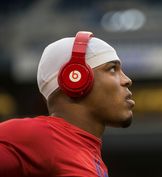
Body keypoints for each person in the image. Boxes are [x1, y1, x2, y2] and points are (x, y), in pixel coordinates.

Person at [0, 31, 135, 177]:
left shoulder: (89, 156)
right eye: (112, 69)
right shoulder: (40, 136)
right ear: (76, 79)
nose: (127, 80)